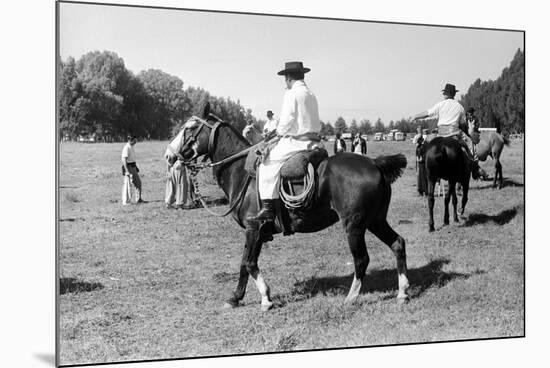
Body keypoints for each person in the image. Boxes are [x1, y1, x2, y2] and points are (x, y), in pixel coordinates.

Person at [248, 61, 322, 222]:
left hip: (297, 142)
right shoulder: (310, 94)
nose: (285, 83)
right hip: (314, 141)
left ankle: (268, 208)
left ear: (288, 78)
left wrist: (275, 134)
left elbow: (287, 121)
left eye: (285, 79)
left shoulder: (291, 94)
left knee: (266, 162)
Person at [411, 83, 478, 175]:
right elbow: (463, 124)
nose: (443, 94)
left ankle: (423, 162)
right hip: (454, 132)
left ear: (447, 93)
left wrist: (416, 116)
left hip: (440, 133)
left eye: (444, 92)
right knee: (471, 145)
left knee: (426, 144)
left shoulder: (440, 104)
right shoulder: (460, 107)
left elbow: (427, 113)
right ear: (453, 94)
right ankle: (474, 166)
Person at [121, 136, 144, 205]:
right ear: (131, 140)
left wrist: (135, 167)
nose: (136, 141)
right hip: (128, 167)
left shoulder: (132, 146)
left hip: (133, 167)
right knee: (127, 185)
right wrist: (127, 171)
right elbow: (124, 161)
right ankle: (126, 202)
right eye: (135, 140)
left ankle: (138, 199)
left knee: (138, 183)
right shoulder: (126, 148)